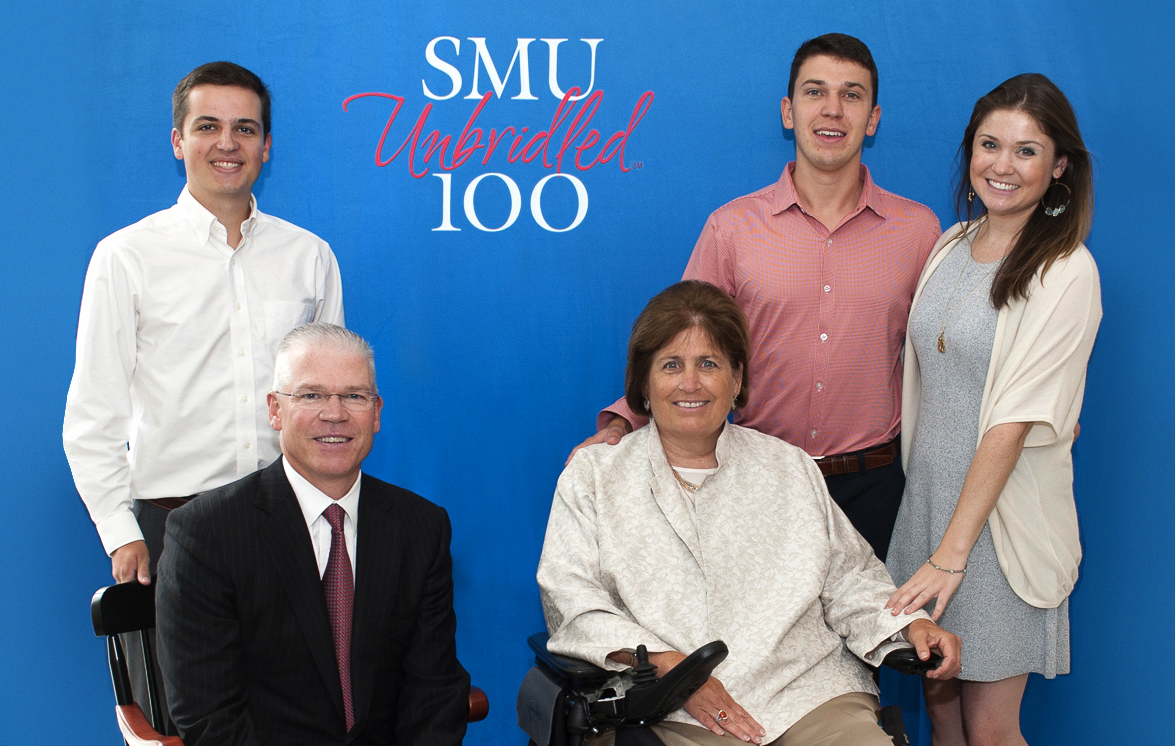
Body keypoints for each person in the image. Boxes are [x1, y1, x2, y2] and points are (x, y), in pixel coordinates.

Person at [568, 33, 941, 560]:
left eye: (851, 95)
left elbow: (946, 357)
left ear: (873, 117)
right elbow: (682, 341)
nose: (832, 109)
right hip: (756, 478)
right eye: (815, 92)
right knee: (752, 640)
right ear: (789, 111)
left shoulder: (918, 231)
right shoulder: (732, 229)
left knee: (873, 639)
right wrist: (622, 421)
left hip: (876, 487)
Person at [539, 281, 961, 746]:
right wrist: (669, 666)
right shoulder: (595, 476)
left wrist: (908, 625)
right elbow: (572, 601)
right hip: (664, 704)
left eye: (709, 364)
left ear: (737, 379)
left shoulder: (788, 465)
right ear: (643, 381)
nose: (690, 383)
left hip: (806, 693)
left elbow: (849, 579)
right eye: (671, 365)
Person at [63, 61, 344, 585]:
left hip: (289, 523)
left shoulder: (309, 256)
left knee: (297, 671)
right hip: (171, 526)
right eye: (208, 126)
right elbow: (93, 412)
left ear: (266, 146)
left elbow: (330, 403)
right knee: (177, 673)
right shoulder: (126, 256)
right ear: (178, 140)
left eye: (245, 128)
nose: (227, 144)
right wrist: (119, 529)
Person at [884, 74, 1100, 745]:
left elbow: (1010, 423)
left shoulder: (1065, 270)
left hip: (993, 538)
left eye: (1026, 150)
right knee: (939, 712)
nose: (1001, 165)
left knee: (988, 729)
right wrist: (935, 542)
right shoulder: (949, 245)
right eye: (988, 144)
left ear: (1059, 165)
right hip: (928, 513)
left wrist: (952, 555)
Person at [156, 323, 470, 745]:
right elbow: (209, 719)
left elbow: (433, 694)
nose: (335, 413)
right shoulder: (205, 534)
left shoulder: (422, 528)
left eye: (354, 396)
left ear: (376, 413)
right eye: (311, 394)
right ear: (275, 410)